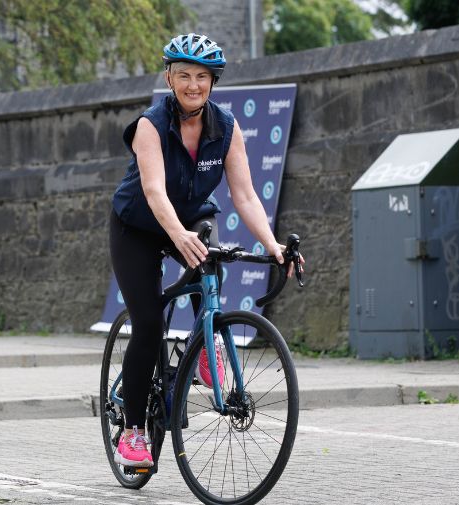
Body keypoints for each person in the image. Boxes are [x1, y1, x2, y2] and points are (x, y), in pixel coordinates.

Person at [108, 33, 303, 468]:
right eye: (183, 76)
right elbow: (155, 192)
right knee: (148, 323)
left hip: (192, 216)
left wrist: (271, 245)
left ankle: (206, 345)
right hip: (138, 226)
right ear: (169, 78)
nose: (193, 84)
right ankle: (133, 431)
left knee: (211, 264)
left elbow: (246, 196)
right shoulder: (150, 126)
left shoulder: (226, 128)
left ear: (213, 82)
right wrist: (176, 235)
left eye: (201, 76)